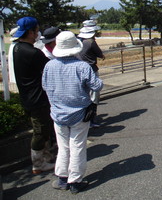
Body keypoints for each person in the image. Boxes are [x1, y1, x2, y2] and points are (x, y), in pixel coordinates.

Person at [42, 31, 103, 194]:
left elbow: (45, 86)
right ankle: (75, 181)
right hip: (79, 113)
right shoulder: (82, 66)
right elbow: (97, 86)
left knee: (63, 147)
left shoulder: (49, 65)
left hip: (57, 113)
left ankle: (62, 178)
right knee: (77, 146)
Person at [12, 17, 55, 174]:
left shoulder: (17, 48)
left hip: (26, 97)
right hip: (38, 98)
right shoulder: (33, 53)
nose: (38, 33)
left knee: (41, 128)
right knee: (41, 131)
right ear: (30, 32)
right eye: (37, 30)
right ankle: (38, 163)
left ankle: (46, 156)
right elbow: (51, 69)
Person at [77, 21, 105, 127]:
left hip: (79, 70)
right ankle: (91, 119)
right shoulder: (91, 42)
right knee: (94, 95)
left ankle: (83, 118)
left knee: (83, 94)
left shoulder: (79, 41)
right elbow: (100, 54)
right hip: (91, 69)